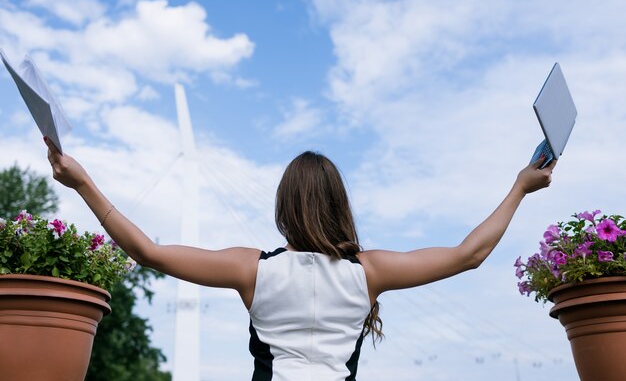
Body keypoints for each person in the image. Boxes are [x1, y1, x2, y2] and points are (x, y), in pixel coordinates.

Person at [44, 137, 555, 381]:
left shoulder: (252, 269)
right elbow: (471, 254)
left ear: (283, 207)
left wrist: (83, 181)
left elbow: (146, 251)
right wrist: (520, 187)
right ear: (339, 204)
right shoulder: (369, 274)